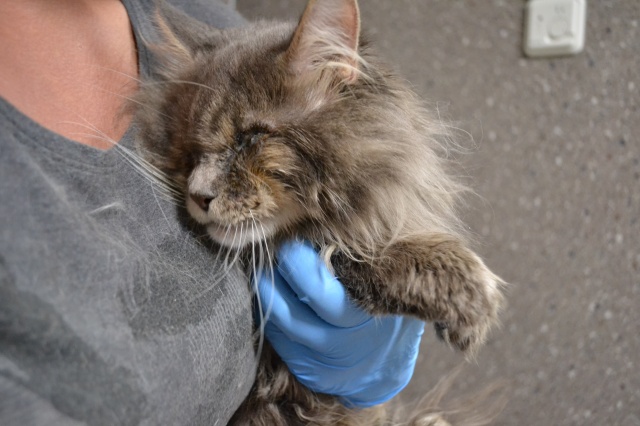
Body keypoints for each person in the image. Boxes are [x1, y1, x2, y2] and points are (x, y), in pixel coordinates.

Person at [0, 0, 425, 424]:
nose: (196, 188)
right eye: (193, 156)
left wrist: (386, 294)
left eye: (247, 144)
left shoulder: (194, 15)